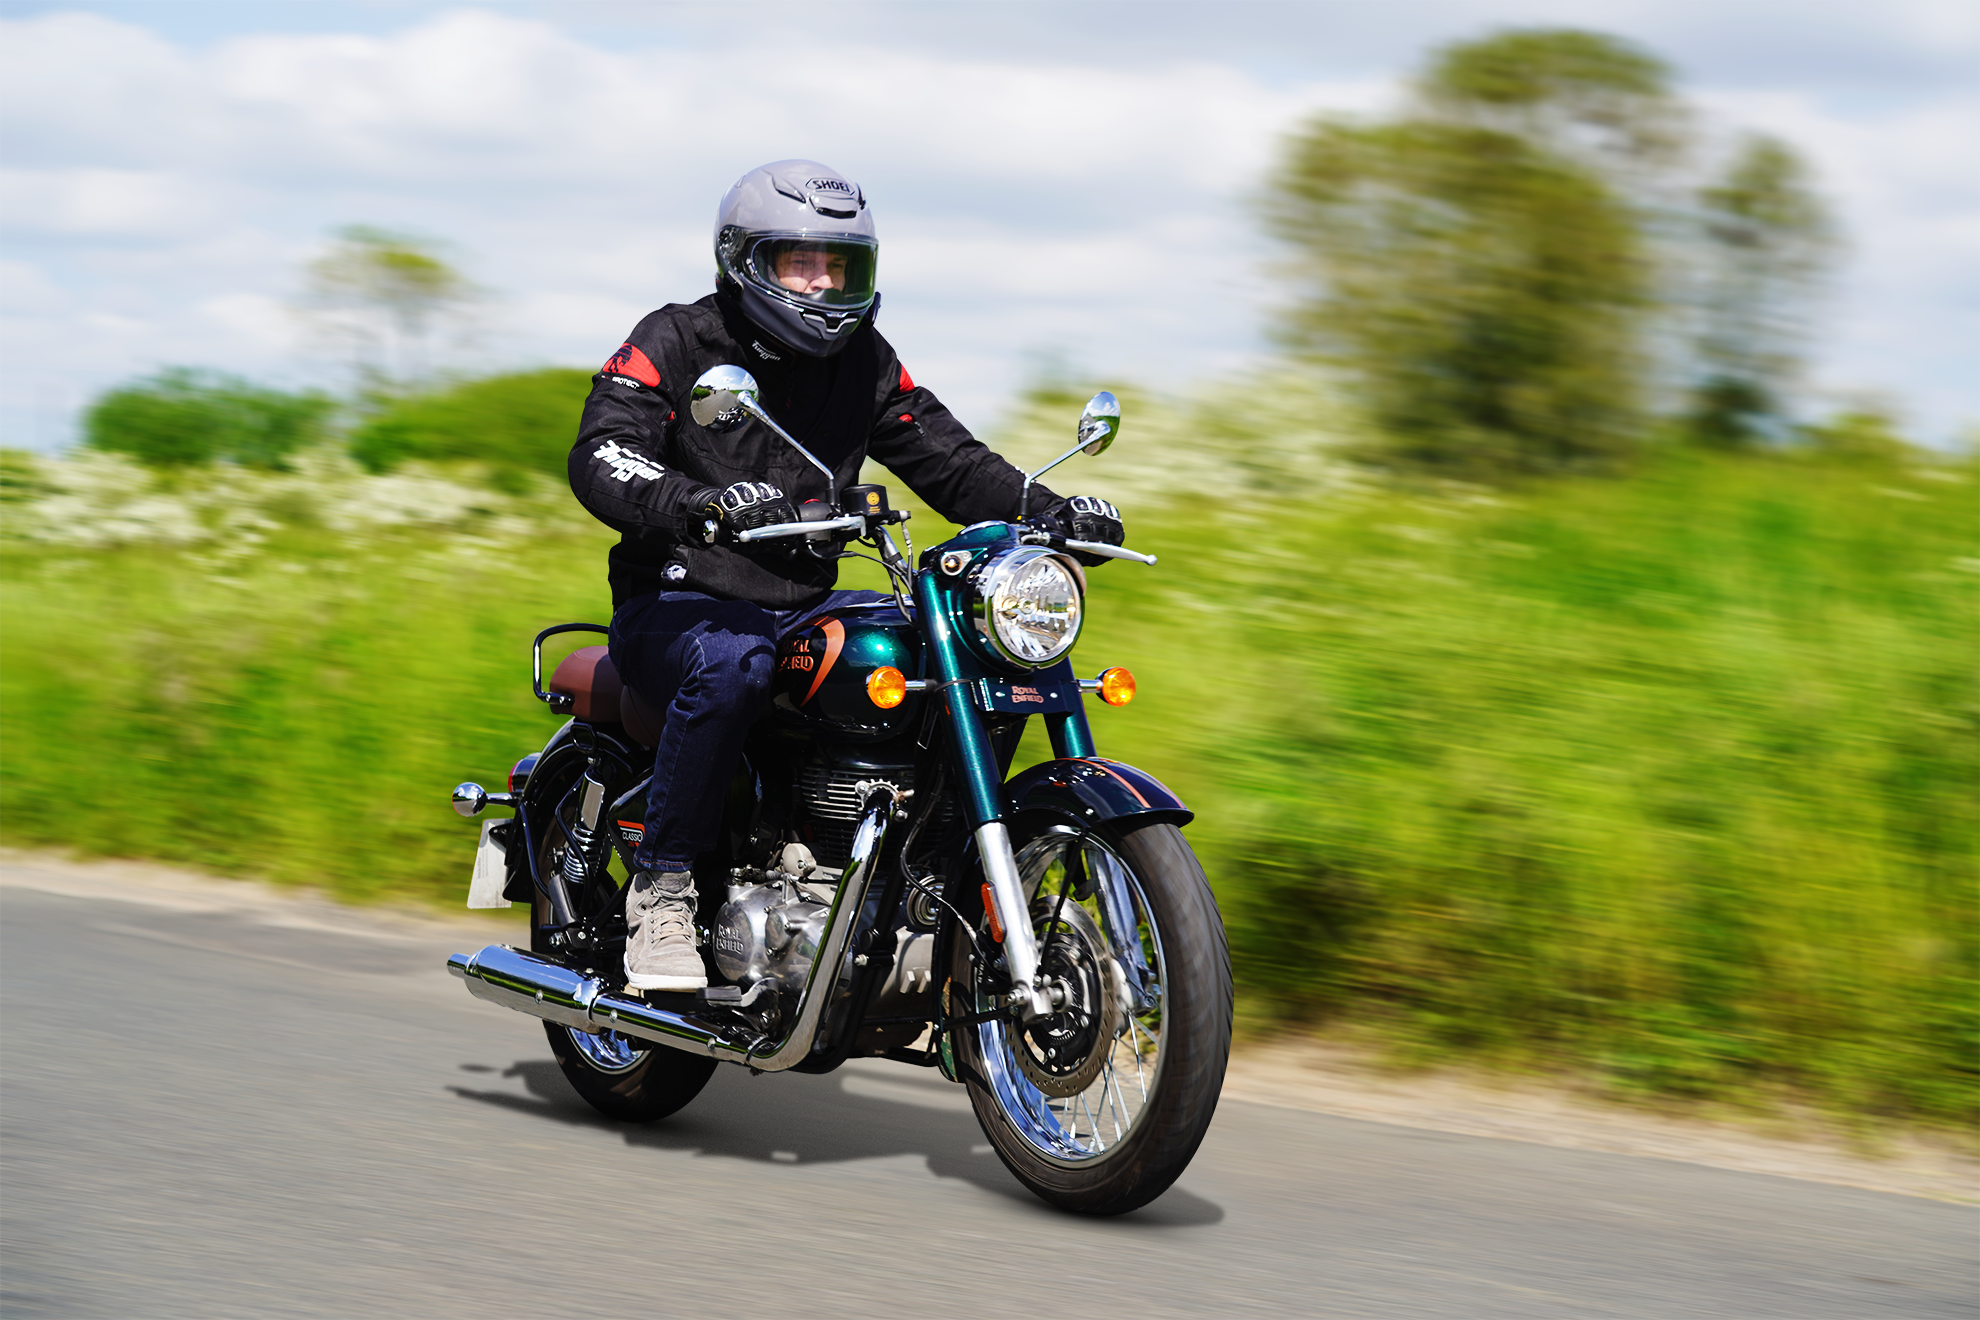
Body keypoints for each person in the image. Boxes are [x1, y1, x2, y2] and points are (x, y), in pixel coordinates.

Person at [568, 159, 1125, 992]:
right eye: (800, 262)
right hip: (678, 600)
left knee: (943, 656)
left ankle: (916, 882)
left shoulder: (863, 358)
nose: (822, 283)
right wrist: (700, 503)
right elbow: (601, 455)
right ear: (742, 258)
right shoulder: (676, 340)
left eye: (840, 265)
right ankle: (665, 889)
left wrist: (1051, 509)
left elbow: (947, 458)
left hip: (802, 599)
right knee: (733, 664)